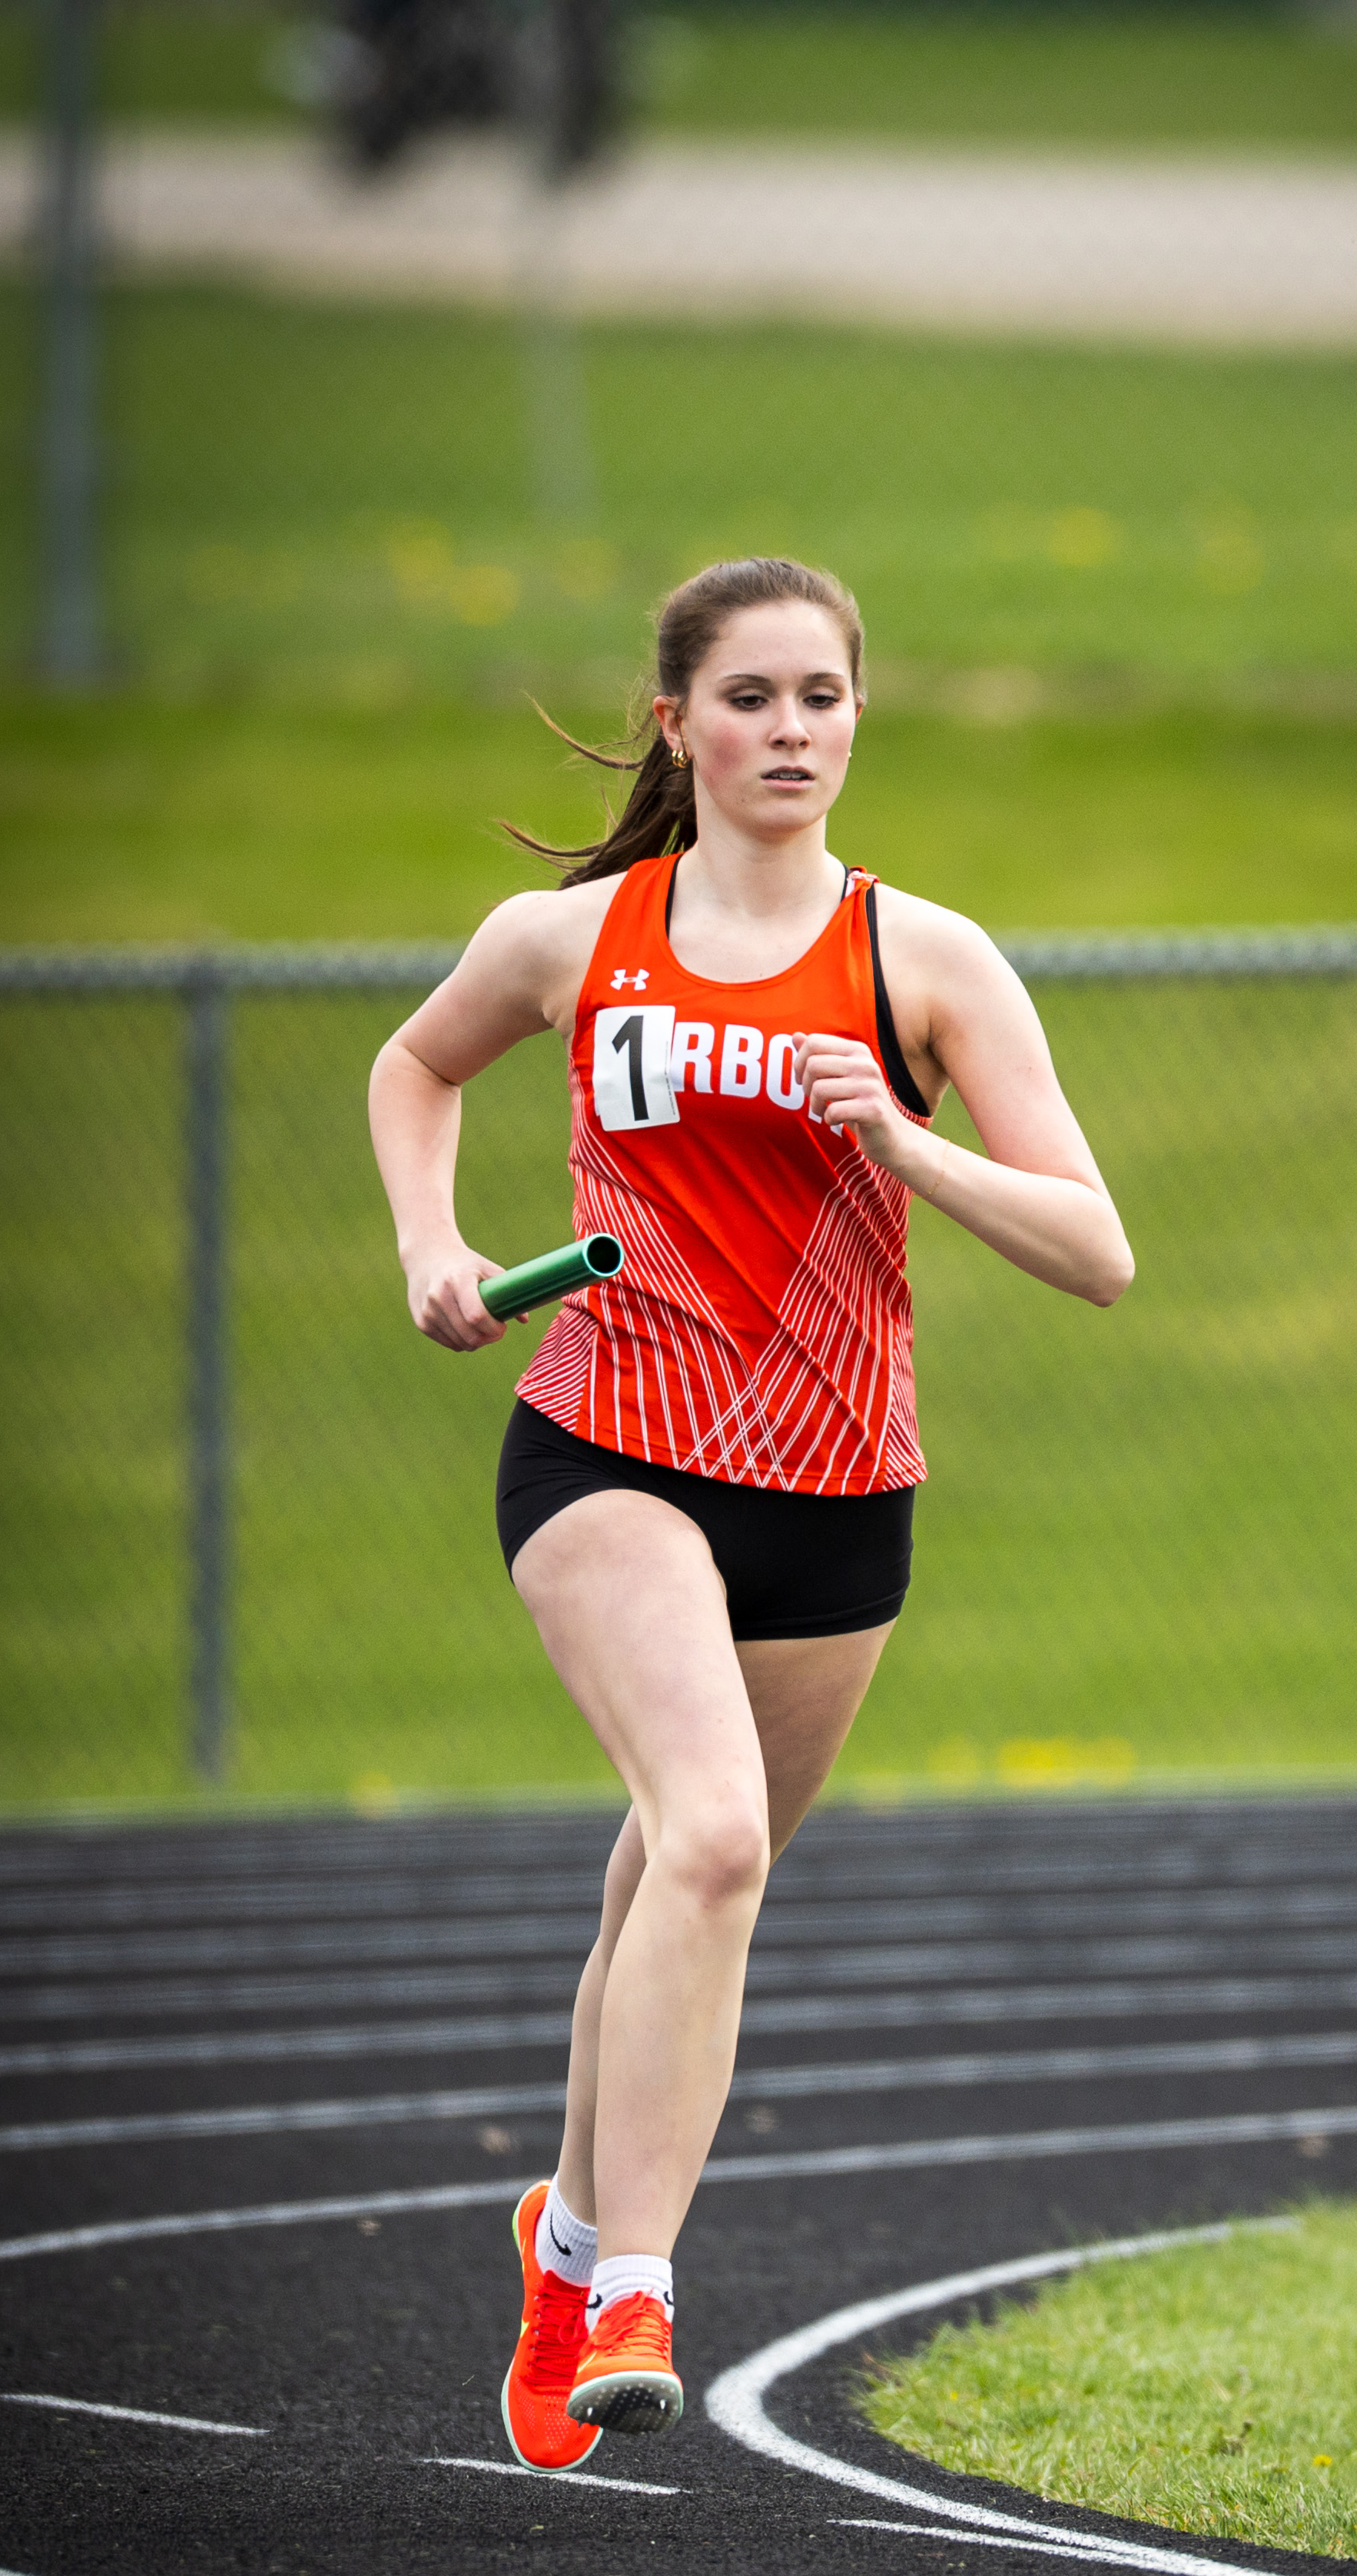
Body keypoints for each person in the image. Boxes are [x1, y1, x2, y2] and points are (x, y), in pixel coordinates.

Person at [367, 556, 1133, 2468]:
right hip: (608, 1445)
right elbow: (415, 1063)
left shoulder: (924, 961)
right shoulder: (572, 938)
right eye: (749, 697)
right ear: (676, 722)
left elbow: (1096, 1250)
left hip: (834, 1492)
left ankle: (560, 2237)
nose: (790, 730)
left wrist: (902, 1139)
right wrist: (430, 1245)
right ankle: (636, 2284)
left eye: (821, 695)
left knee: (672, 1878)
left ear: (857, 715)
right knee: (710, 1835)